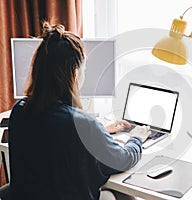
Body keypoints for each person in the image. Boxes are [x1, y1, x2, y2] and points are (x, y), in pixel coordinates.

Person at [8, 21, 151, 200]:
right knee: (123, 195)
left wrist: (101, 131)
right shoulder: (81, 124)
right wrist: (137, 137)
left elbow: (53, 138)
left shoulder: (19, 110)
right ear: (75, 73)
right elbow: (123, 159)